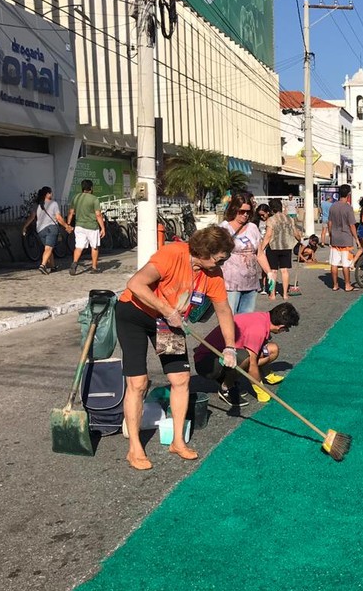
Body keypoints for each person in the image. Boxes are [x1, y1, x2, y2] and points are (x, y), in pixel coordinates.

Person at [116, 226, 237, 470]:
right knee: (138, 382)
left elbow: (224, 310)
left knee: (181, 379)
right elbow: (135, 283)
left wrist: (231, 347)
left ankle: (177, 441)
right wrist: (167, 310)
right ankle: (135, 449)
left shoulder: (213, 274)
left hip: (167, 321)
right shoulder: (172, 254)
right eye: (220, 258)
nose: (222, 263)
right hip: (134, 314)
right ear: (205, 251)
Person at [193, 302, 300, 407]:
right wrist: (260, 389)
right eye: (286, 329)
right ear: (280, 326)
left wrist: (267, 373)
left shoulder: (263, 318)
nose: (286, 331)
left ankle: (230, 376)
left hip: (224, 356)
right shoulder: (258, 329)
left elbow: (259, 349)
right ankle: (226, 387)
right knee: (246, 358)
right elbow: (252, 362)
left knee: (272, 349)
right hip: (206, 363)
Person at [221, 195, 264, 314]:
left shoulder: (253, 228)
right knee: (230, 318)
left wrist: (270, 272)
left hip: (251, 282)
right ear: (234, 209)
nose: (245, 215)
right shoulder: (224, 228)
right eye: (242, 211)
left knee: (246, 320)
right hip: (231, 283)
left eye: (248, 212)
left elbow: (259, 254)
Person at [22, 186, 71, 274]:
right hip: (51, 228)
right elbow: (58, 218)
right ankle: (43, 265)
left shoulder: (36, 204)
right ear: (47, 194)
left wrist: (25, 226)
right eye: (51, 192)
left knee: (48, 248)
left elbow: (32, 217)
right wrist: (66, 226)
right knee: (48, 248)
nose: (52, 194)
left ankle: (52, 266)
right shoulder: (53, 204)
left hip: (40, 230)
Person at [259, 199, 301, 301]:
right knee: (284, 271)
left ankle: (272, 294)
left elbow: (268, 235)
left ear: (271, 208)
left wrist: (261, 248)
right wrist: (300, 239)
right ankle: (285, 294)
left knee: (273, 271)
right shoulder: (289, 219)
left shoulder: (271, 220)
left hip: (273, 247)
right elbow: (296, 233)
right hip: (286, 246)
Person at [66, 179, 106, 275]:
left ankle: (74, 263)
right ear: (91, 188)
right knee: (94, 247)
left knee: (79, 246)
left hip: (79, 226)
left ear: (82, 188)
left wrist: (68, 224)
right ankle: (94, 267)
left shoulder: (76, 198)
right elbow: (98, 215)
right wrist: (103, 228)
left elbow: (71, 212)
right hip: (92, 226)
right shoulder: (94, 199)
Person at [326, 184, 358, 292]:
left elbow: (329, 223)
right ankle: (347, 285)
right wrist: (356, 238)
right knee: (346, 264)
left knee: (334, 263)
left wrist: (331, 234)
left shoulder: (333, 206)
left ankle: (335, 285)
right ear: (348, 194)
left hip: (335, 237)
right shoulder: (348, 208)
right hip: (346, 238)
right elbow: (352, 225)